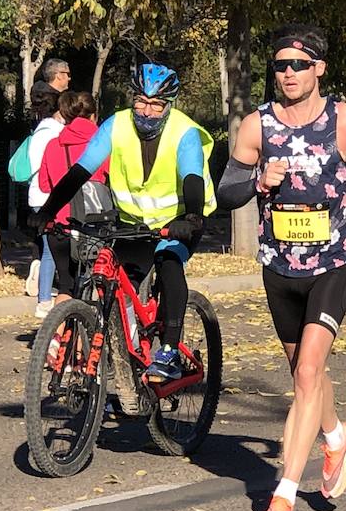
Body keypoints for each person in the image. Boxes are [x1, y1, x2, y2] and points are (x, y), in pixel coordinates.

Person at [214, 24, 346, 511]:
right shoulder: (258, 126)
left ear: (318, 68)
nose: (288, 73)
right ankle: (337, 436)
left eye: (298, 64)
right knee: (304, 373)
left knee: (307, 372)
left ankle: (282, 498)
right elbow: (225, 192)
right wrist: (256, 181)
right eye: (280, 65)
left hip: (333, 263)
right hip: (279, 267)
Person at [32, 62, 215, 383]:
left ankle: (170, 351)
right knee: (120, 280)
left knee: (170, 261)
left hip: (180, 218)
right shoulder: (115, 126)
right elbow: (81, 171)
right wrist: (48, 211)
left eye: (156, 105)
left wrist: (192, 217)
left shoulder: (183, 133)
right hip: (135, 221)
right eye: (140, 102)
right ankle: (128, 348)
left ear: (169, 105)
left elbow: (192, 179)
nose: (146, 111)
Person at [39, 91, 108, 302]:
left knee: (66, 287)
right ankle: (86, 333)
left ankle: (58, 335)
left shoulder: (53, 145)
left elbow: (43, 185)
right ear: (93, 116)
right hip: (93, 227)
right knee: (97, 284)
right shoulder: (103, 146)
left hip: (59, 226)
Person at [25, 86, 65, 314]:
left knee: (48, 246)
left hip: (37, 195)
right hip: (48, 195)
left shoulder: (40, 130)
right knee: (52, 249)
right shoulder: (54, 132)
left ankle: (41, 286)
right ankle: (43, 300)